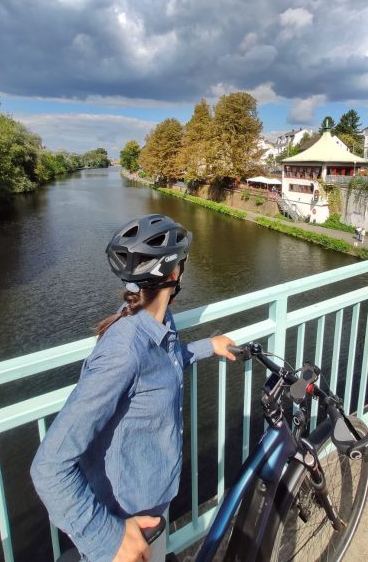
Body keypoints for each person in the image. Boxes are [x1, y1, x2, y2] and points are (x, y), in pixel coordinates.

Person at [30, 214, 235, 562]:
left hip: (152, 500)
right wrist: (106, 536)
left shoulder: (156, 317)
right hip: (126, 521)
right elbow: (49, 467)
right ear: (174, 274)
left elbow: (161, 367)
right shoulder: (124, 351)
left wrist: (208, 346)